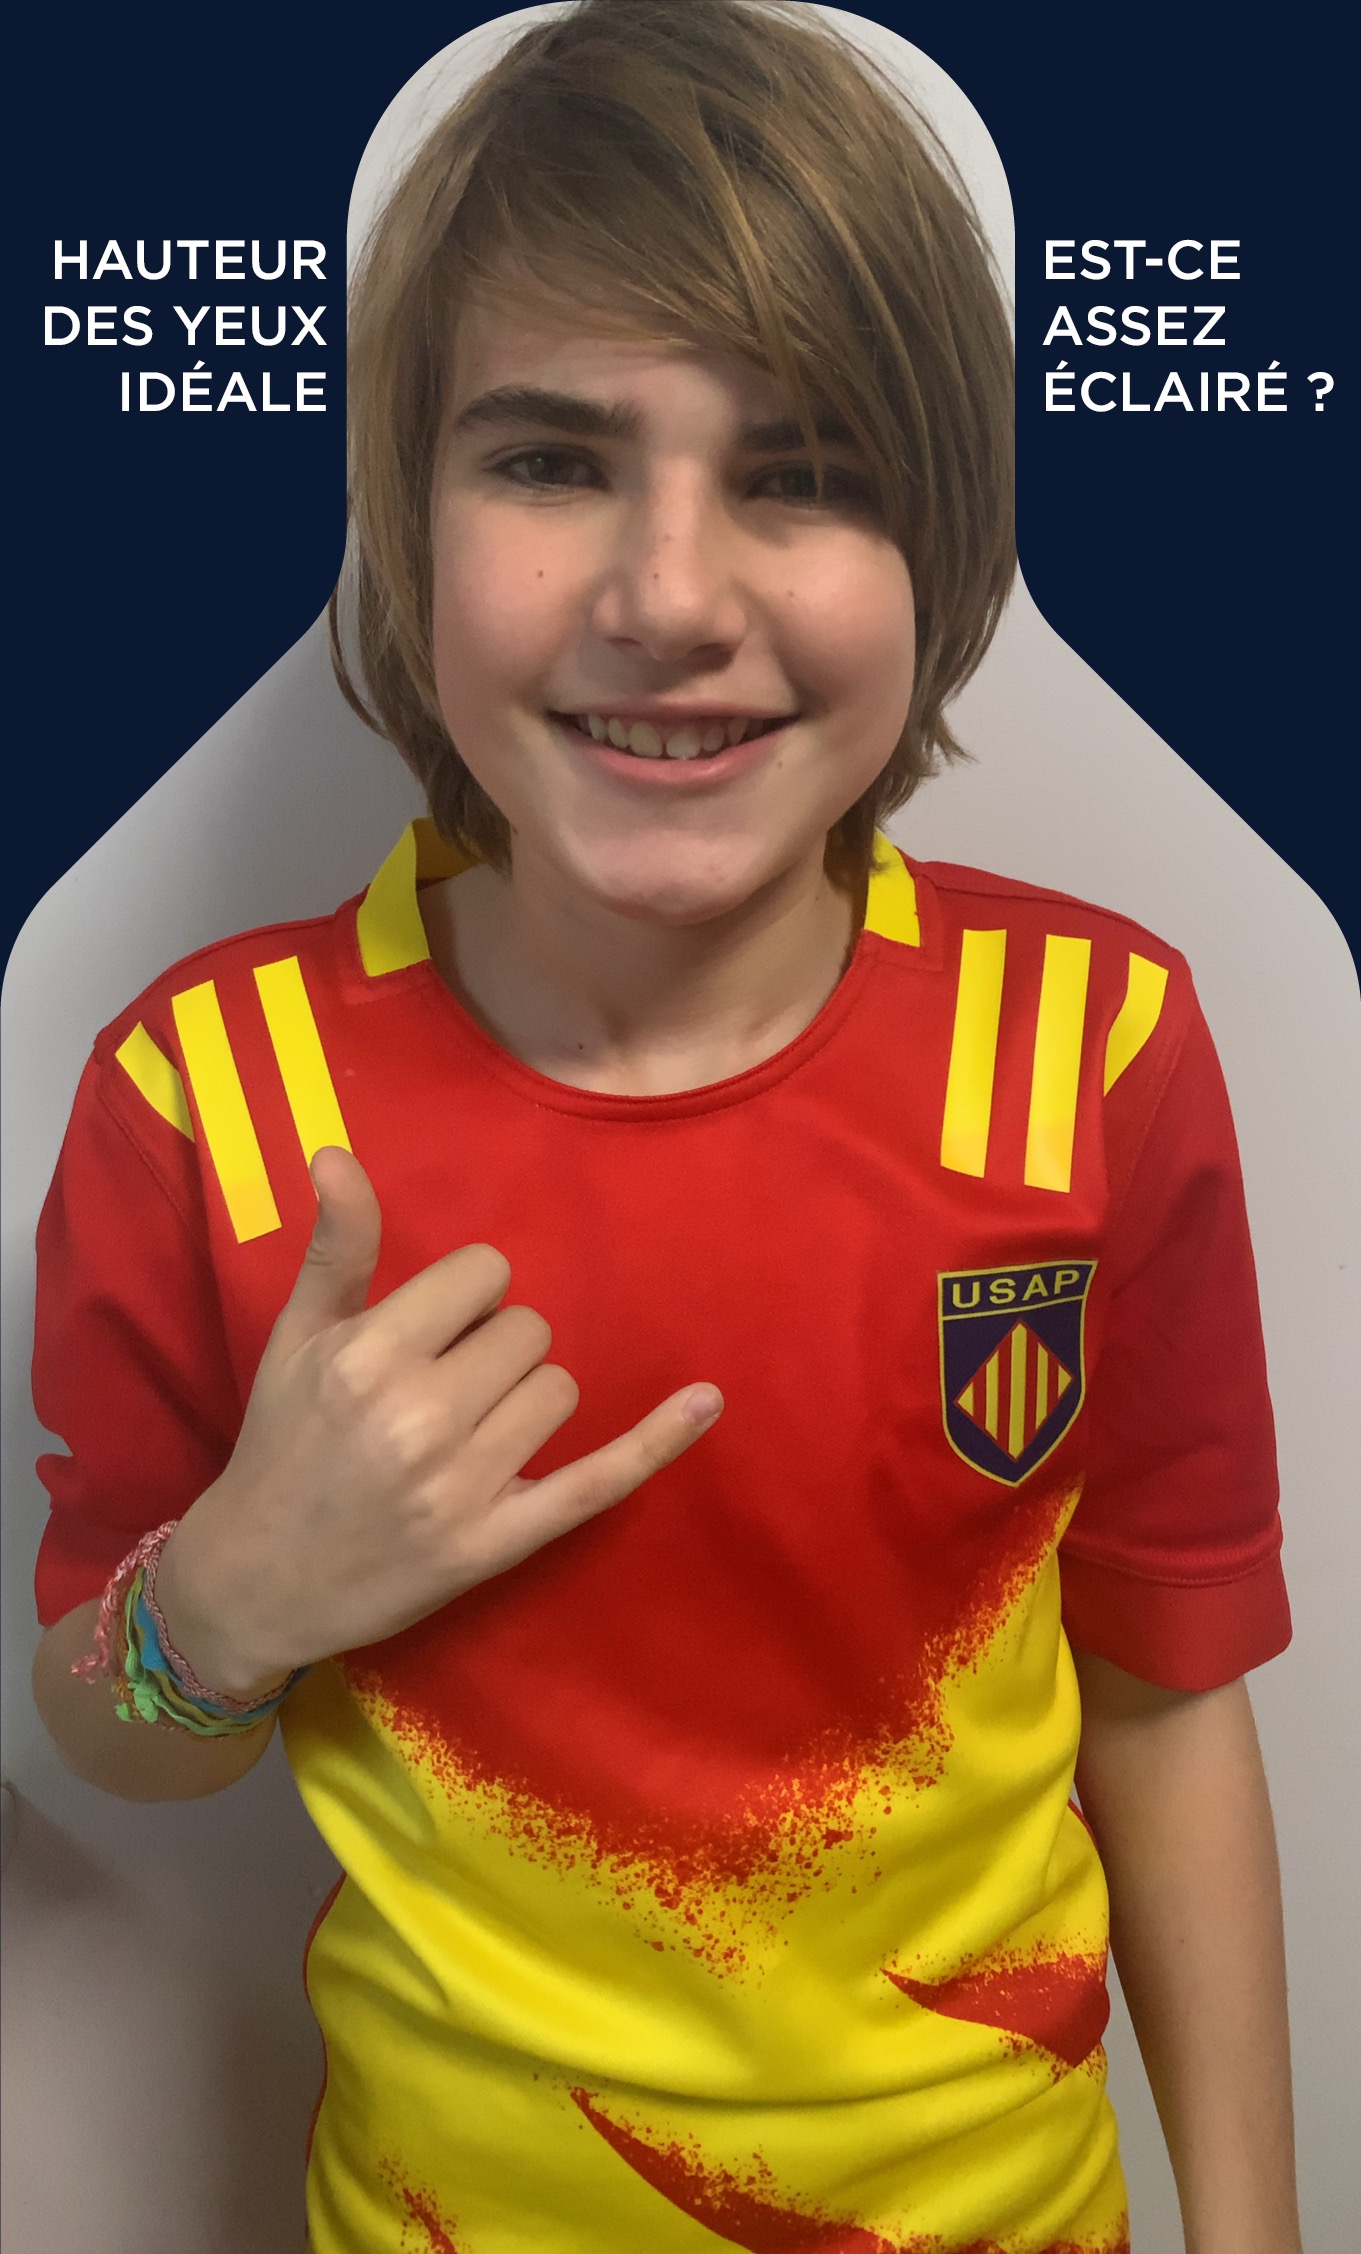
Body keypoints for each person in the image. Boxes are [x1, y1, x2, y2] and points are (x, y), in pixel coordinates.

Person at [29, 4, 1300, 2249]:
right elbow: (113, 1730)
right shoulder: (207, 1099)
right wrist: (225, 1600)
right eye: (549, 459)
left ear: (943, 540)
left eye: (801, 469)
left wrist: (1259, 2221)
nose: (671, 597)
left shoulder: (1093, 1044)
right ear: (408, 526)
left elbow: (1168, 1700)